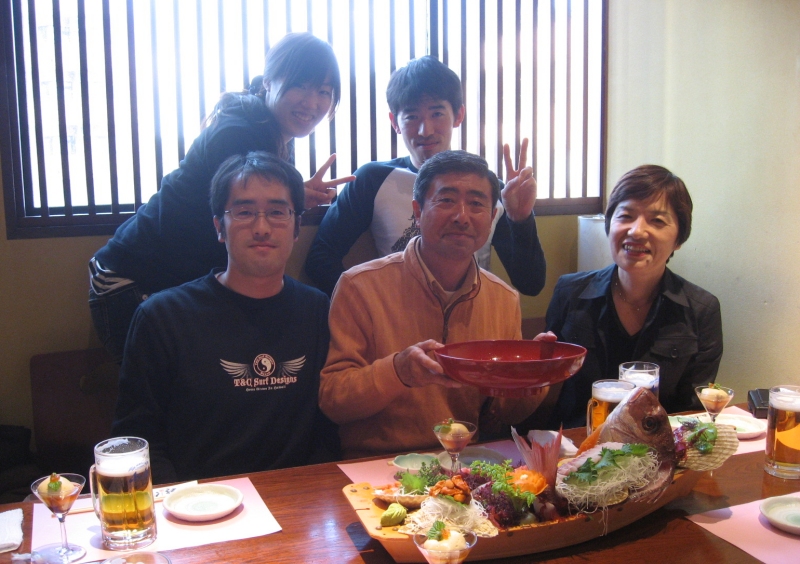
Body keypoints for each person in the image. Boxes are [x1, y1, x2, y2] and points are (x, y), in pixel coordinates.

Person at [89, 32, 354, 363]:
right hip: (131, 281)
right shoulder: (239, 131)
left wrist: (295, 195)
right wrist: (290, 194)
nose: (312, 102)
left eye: (324, 92)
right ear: (269, 81)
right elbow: (236, 202)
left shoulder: (271, 133)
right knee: (182, 387)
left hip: (168, 279)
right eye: (301, 85)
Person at [111, 152, 337, 484]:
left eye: (277, 212)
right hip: (196, 502)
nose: (262, 228)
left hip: (296, 499)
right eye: (244, 212)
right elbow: (138, 441)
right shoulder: (163, 317)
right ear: (219, 227)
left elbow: (327, 427)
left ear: (296, 228)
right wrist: (182, 502)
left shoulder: (316, 309)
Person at [319, 151, 548, 459]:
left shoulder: (503, 299)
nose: (462, 217)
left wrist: (535, 378)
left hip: (465, 463)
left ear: (493, 217)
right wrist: (398, 371)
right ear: (418, 210)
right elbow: (334, 401)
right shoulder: (360, 286)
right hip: (377, 465)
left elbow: (504, 413)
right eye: (446, 200)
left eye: (477, 204)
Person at [304, 55, 546, 297]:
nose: (425, 130)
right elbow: (320, 258)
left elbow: (531, 284)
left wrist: (521, 219)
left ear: (458, 115)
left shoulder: (487, 189)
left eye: (437, 114)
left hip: (475, 314)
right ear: (394, 122)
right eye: (411, 117)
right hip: (399, 314)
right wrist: (370, 305)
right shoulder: (372, 180)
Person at [543, 165, 723, 429]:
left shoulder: (701, 311)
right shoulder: (570, 292)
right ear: (609, 225)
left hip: (658, 448)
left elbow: (694, 414)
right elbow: (547, 392)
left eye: (657, 221)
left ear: (679, 238)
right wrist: (536, 369)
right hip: (577, 445)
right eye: (626, 216)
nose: (637, 231)